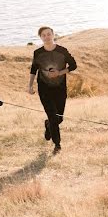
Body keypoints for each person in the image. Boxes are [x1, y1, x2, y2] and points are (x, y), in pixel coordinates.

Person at [27, 26, 77, 154]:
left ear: (53, 35)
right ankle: (57, 145)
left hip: (60, 89)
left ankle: (48, 125)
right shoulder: (37, 53)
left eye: (49, 34)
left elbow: (73, 66)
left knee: (59, 118)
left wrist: (60, 72)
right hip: (44, 89)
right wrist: (30, 85)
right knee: (53, 117)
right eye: (43, 35)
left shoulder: (62, 51)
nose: (47, 37)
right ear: (40, 38)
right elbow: (34, 69)